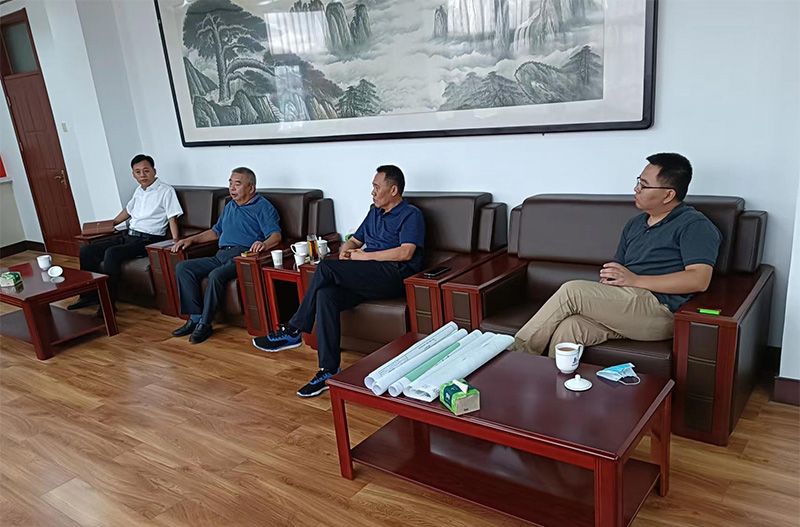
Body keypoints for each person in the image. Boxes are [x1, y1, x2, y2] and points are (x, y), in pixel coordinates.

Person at [512, 153, 722, 357]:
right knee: (571, 326)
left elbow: (699, 279)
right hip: (624, 305)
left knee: (572, 291)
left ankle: (513, 355)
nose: (636, 189)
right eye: (638, 182)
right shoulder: (636, 223)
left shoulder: (694, 225)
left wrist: (636, 280)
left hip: (659, 311)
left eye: (644, 185)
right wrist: (610, 280)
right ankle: (544, 377)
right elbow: (618, 270)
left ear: (668, 194)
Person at [253, 165, 425, 397]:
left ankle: (294, 329)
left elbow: (406, 252)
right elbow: (355, 240)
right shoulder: (374, 212)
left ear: (393, 190)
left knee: (325, 267)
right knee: (326, 295)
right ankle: (328, 369)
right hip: (367, 274)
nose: (372, 192)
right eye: (372, 187)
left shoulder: (411, 214)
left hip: (393, 275)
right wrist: (346, 249)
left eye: (376, 187)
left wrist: (365, 256)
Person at [171, 167, 281, 344]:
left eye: (237, 184)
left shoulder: (263, 207)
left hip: (242, 257)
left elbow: (276, 235)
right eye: (230, 183)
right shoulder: (230, 206)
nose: (232, 188)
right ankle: (195, 318)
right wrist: (191, 239)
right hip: (220, 255)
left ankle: (205, 324)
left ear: (251, 188)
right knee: (183, 268)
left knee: (216, 275)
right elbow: (215, 232)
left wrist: (263, 244)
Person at [68, 154, 182, 312]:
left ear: (154, 171)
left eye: (146, 171)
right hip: (129, 235)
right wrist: (109, 225)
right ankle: (89, 296)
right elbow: (127, 211)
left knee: (112, 253)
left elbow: (172, 218)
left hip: (149, 239)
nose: (142, 175)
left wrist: (176, 241)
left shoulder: (166, 191)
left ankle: (108, 303)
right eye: (138, 172)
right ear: (133, 174)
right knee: (87, 250)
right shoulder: (139, 191)